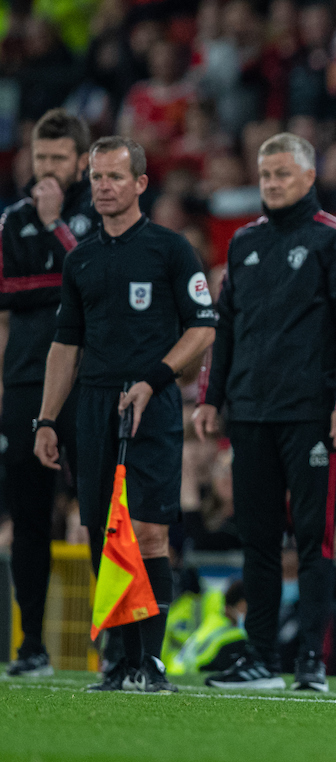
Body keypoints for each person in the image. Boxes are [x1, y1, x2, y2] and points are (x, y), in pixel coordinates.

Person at [34, 136, 217, 692]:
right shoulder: (81, 258)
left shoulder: (170, 249)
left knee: (148, 531)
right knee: (100, 535)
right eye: (96, 178)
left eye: (115, 177)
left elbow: (204, 327)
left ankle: (151, 662)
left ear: (140, 183)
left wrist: (153, 380)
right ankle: (119, 659)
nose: (104, 188)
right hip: (93, 405)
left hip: (153, 403)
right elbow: (66, 346)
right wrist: (45, 420)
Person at [195, 132, 336, 692]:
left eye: (281, 174)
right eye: (265, 175)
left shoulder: (334, 238)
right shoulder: (243, 243)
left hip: (309, 414)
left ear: (308, 176)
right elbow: (225, 328)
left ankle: (311, 663)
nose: (271, 183)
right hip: (249, 412)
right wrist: (210, 396)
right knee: (257, 540)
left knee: (313, 541)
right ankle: (261, 657)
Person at [1, 108, 98, 677]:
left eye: (59, 158)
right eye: (41, 158)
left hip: (87, 383)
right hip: (25, 382)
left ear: (82, 162)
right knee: (29, 515)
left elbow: (91, 276)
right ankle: (31, 644)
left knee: (98, 514)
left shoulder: (97, 212)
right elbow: (4, 289)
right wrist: (55, 284)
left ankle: (111, 644)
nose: (47, 169)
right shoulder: (11, 220)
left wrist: (57, 225)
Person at [172, 581, 249, 674]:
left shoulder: (215, 622)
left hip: (180, 669)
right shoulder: (225, 631)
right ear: (240, 603)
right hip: (188, 672)